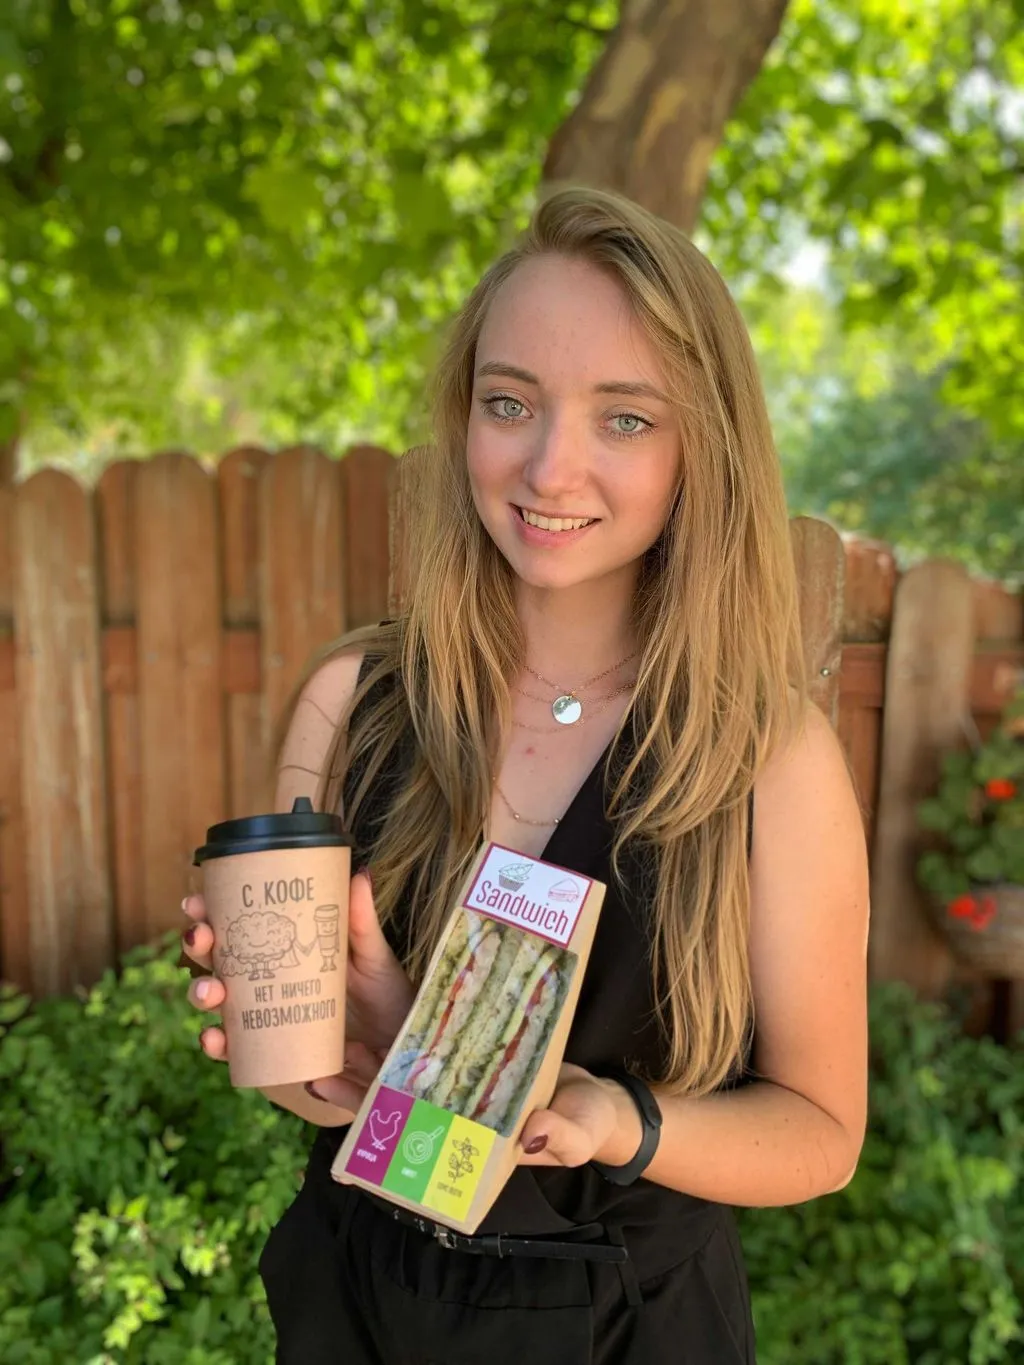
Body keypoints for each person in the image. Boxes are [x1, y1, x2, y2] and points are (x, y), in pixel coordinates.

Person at [182, 186, 869, 1364]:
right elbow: (308, 1078)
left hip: (627, 1324)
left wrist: (616, 1121)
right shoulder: (353, 702)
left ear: (702, 448)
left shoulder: (768, 757)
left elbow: (819, 1133)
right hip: (361, 1304)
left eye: (624, 419)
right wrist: (299, 1037)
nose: (550, 468)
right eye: (509, 403)